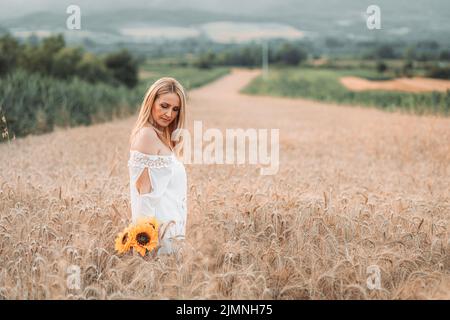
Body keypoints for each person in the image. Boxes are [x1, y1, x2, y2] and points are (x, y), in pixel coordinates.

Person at [128, 77, 188, 256]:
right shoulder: (147, 136)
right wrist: (144, 247)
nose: (169, 114)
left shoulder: (160, 137)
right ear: (151, 102)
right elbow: (143, 195)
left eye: (175, 109)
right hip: (158, 241)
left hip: (171, 234)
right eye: (164, 106)